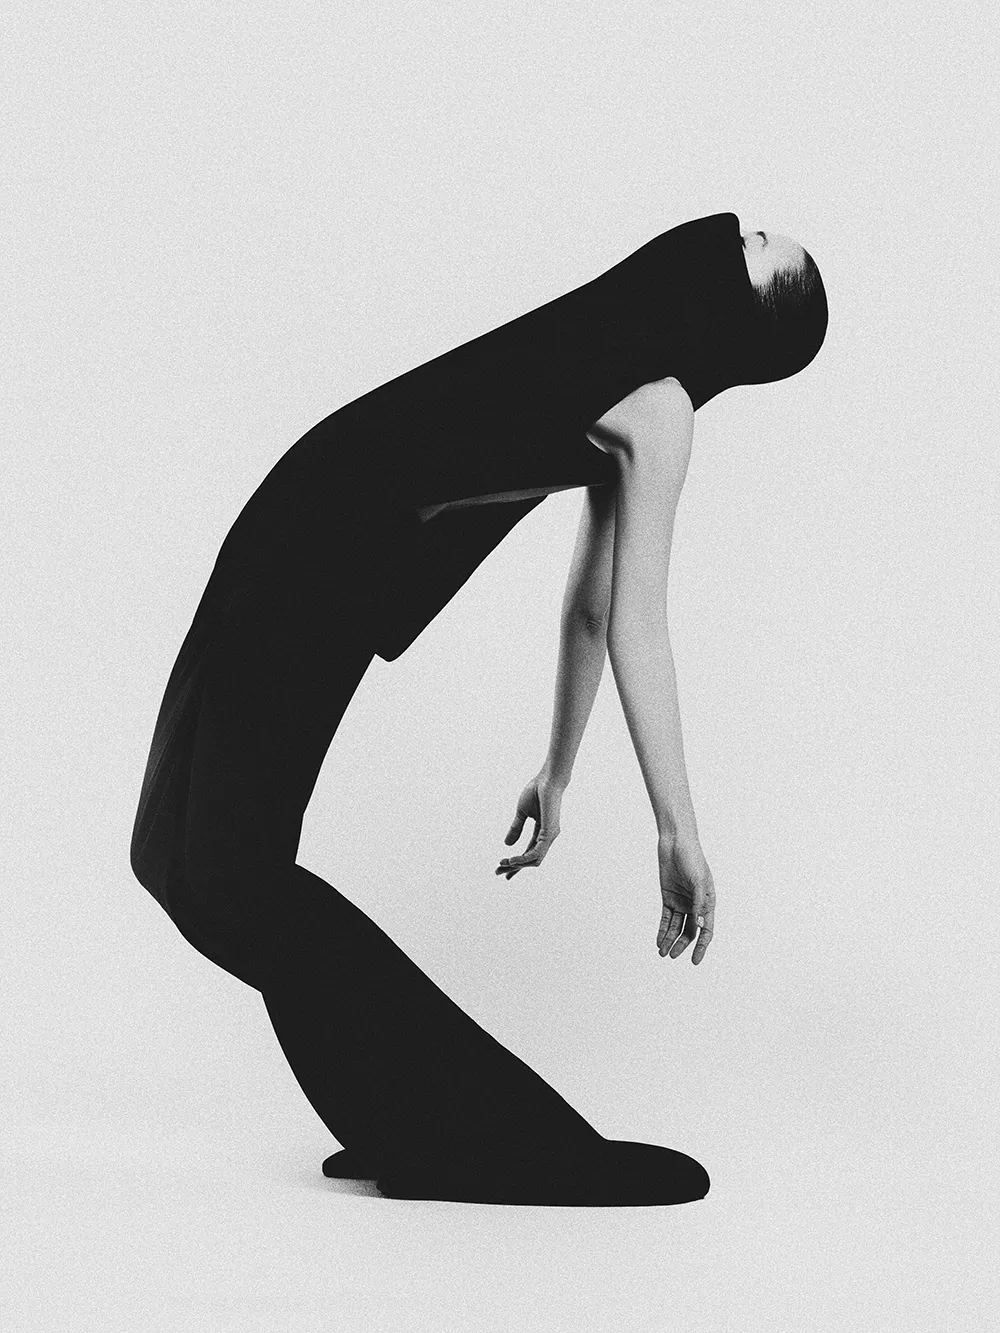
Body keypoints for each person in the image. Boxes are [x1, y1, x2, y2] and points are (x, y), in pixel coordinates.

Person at [128, 213, 828, 1206]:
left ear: (748, 316)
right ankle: (411, 1121)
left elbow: (620, 615)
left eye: (757, 246)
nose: (737, 231)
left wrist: (674, 826)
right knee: (170, 861)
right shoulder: (624, 361)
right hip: (296, 518)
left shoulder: (661, 409)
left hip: (326, 556)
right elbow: (590, 611)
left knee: (228, 873)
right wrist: (557, 771)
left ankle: (492, 1136)